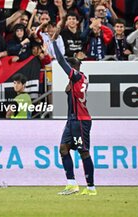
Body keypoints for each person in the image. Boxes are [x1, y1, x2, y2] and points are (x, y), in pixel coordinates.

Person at [52, 41, 96, 196]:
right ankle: (72, 184)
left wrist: (53, 42)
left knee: (83, 152)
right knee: (63, 148)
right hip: (72, 120)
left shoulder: (77, 77)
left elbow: (60, 60)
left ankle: (91, 187)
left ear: (73, 68)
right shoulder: (78, 79)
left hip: (80, 120)